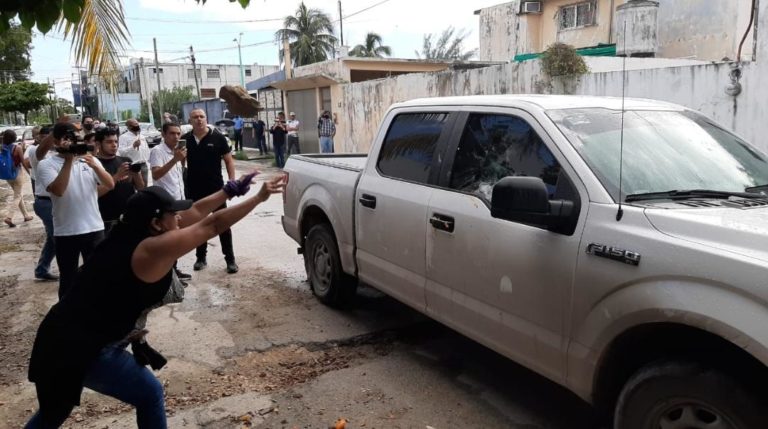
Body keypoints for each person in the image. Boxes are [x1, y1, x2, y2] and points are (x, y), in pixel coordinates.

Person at [25, 174, 285, 429]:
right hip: (80, 347)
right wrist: (259, 198)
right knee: (148, 394)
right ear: (157, 224)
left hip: (63, 334)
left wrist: (228, 191)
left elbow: (193, 211)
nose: (180, 217)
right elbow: (211, 225)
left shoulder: (129, 231)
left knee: (53, 413)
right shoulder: (149, 250)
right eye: (173, 214)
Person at [37, 123, 115, 299]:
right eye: (67, 138)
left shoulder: (89, 160)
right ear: (56, 141)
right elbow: (59, 190)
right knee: (69, 280)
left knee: (97, 276)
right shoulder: (46, 165)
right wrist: (69, 160)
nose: (73, 142)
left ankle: (96, 317)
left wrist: (95, 165)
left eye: (75, 138)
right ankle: (66, 321)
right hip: (67, 231)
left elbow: (110, 184)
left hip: (94, 228)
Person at [182, 108, 239, 273]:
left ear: (206, 118)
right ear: (190, 120)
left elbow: (228, 161)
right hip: (194, 191)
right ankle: (201, 258)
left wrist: (232, 181)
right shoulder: (186, 140)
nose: (199, 119)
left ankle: (230, 260)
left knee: (223, 224)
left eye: (202, 116)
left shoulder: (218, 137)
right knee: (198, 225)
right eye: (195, 117)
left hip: (216, 190)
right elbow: (180, 163)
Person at [150, 122, 192, 282]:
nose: (176, 137)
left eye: (178, 134)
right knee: (166, 239)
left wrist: (181, 160)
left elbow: (177, 176)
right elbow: (156, 174)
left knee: (175, 239)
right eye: (172, 134)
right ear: (164, 134)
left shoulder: (178, 151)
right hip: (165, 203)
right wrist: (175, 160)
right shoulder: (157, 151)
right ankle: (167, 275)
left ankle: (173, 270)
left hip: (177, 200)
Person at [25, 126, 59, 281]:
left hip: (58, 201)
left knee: (53, 239)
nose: (47, 139)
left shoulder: (58, 153)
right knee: (58, 237)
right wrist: (56, 131)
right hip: (45, 202)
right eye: (44, 136)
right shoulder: (35, 151)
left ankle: (41, 269)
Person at [96, 128, 145, 234]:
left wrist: (136, 174)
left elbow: (141, 188)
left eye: (116, 141)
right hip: (105, 220)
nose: (114, 145)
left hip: (128, 216)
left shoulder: (125, 161)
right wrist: (117, 176)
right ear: (98, 144)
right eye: (109, 142)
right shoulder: (94, 165)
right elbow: (94, 193)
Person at [1, 129, 32, 227]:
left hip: (8, 175)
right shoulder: (17, 148)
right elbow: (23, 162)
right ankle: (9, 217)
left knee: (18, 194)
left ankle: (26, 215)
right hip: (17, 173)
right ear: (14, 137)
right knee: (17, 196)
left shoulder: (2, 147)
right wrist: (30, 173)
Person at [118, 118, 150, 185]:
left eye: (138, 123)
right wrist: (133, 146)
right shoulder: (123, 137)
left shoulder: (141, 136)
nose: (137, 125)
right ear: (129, 126)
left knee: (144, 188)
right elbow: (121, 152)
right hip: (132, 166)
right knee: (131, 187)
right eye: (135, 124)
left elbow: (146, 149)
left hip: (143, 165)